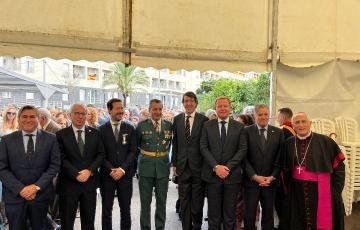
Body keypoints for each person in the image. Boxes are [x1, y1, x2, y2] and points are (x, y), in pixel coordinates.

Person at [281, 112, 345, 230]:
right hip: (296, 192)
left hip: (321, 190)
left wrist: (336, 190)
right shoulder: (288, 143)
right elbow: (284, 170)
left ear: (310, 124)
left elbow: (339, 166)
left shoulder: (326, 142)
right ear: (293, 126)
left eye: (304, 121)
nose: (301, 125)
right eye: (297, 122)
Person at [0, 105, 60, 230]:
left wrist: (36, 187)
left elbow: (54, 166)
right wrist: (21, 189)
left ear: (39, 119)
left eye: (32, 116)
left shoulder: (51, 139)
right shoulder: (6, 140)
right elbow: (2, 168)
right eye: (24, 116)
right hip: (15, 197)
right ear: (19, 119)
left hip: (40, 196)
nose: (28, 120)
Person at [200, 96, 247, 230]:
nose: (222, 108)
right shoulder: (207, 125)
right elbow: (203, 147)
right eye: (219, 106)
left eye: (225, 106)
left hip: (232, 177)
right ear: (216, 108)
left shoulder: (239, 127)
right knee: (213, 214)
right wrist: (216, 167)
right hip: (212, 176)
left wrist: (227, 168)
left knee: (230, 214)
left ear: (230, 108)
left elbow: (242, 149)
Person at [56, 103, 105, 230]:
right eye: (77, 113)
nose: (80, 116)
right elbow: (61, 158)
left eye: (83, 113)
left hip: (89, 184)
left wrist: (89, 171)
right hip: (68, 184)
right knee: (67, 222)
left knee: (89, 222)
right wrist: (76, 174)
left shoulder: (95, 133)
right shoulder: (60, 134)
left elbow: (101, 154)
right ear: (70, 115)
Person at [243, 104, 284, 230]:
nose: (263, 117)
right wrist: (254, 176)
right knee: (249, 214)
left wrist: (272, 177)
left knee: (268, 215)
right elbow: (243, 158)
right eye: (260, 114)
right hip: (251, 181)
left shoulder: (278, 132)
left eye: (266, 114)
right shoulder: (246, 131)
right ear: (254, 116)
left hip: (270, 182)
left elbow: (280, 158)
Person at [172, 91, 208, 230]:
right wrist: (174, 163)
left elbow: (206, 144)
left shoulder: (204, 120)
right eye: (186, 101)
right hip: (182, 167)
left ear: (196, 103)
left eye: (191, 101)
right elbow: (175, 143)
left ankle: (197, 226)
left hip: (198, 167)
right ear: (183, 103)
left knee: (197, 202)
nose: (188, 103)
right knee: (184, 201)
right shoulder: (177, 119)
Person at [99, 99, 137, 230]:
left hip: (125, 176)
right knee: (106, 210)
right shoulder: (101, 130)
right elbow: (100, 154)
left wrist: (122, 169)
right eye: (117, 108)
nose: (121, 111)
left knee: (125, 209)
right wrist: (111, 170)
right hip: (106, 176)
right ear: (109, 110)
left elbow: (133, 152)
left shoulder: (130, 127)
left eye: (122, 108)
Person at [136, 99, 172, 230]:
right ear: (149, 110)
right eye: (155, 109)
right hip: (146, 167)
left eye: (160, 109)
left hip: (163, 167)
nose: (157, 112)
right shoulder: (141, 126)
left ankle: (160, 227)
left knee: (161, 202)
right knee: (145, 203)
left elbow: (171, 144)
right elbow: (136, 147)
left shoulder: (169, 125)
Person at [275, 107, 295, 227]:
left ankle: (284, 224)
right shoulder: (295, 128)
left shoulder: (282, 130)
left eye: (278, 116)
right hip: (293, 169)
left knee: (280, 198)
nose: (277, 119)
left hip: (283, 170)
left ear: (283, 117)